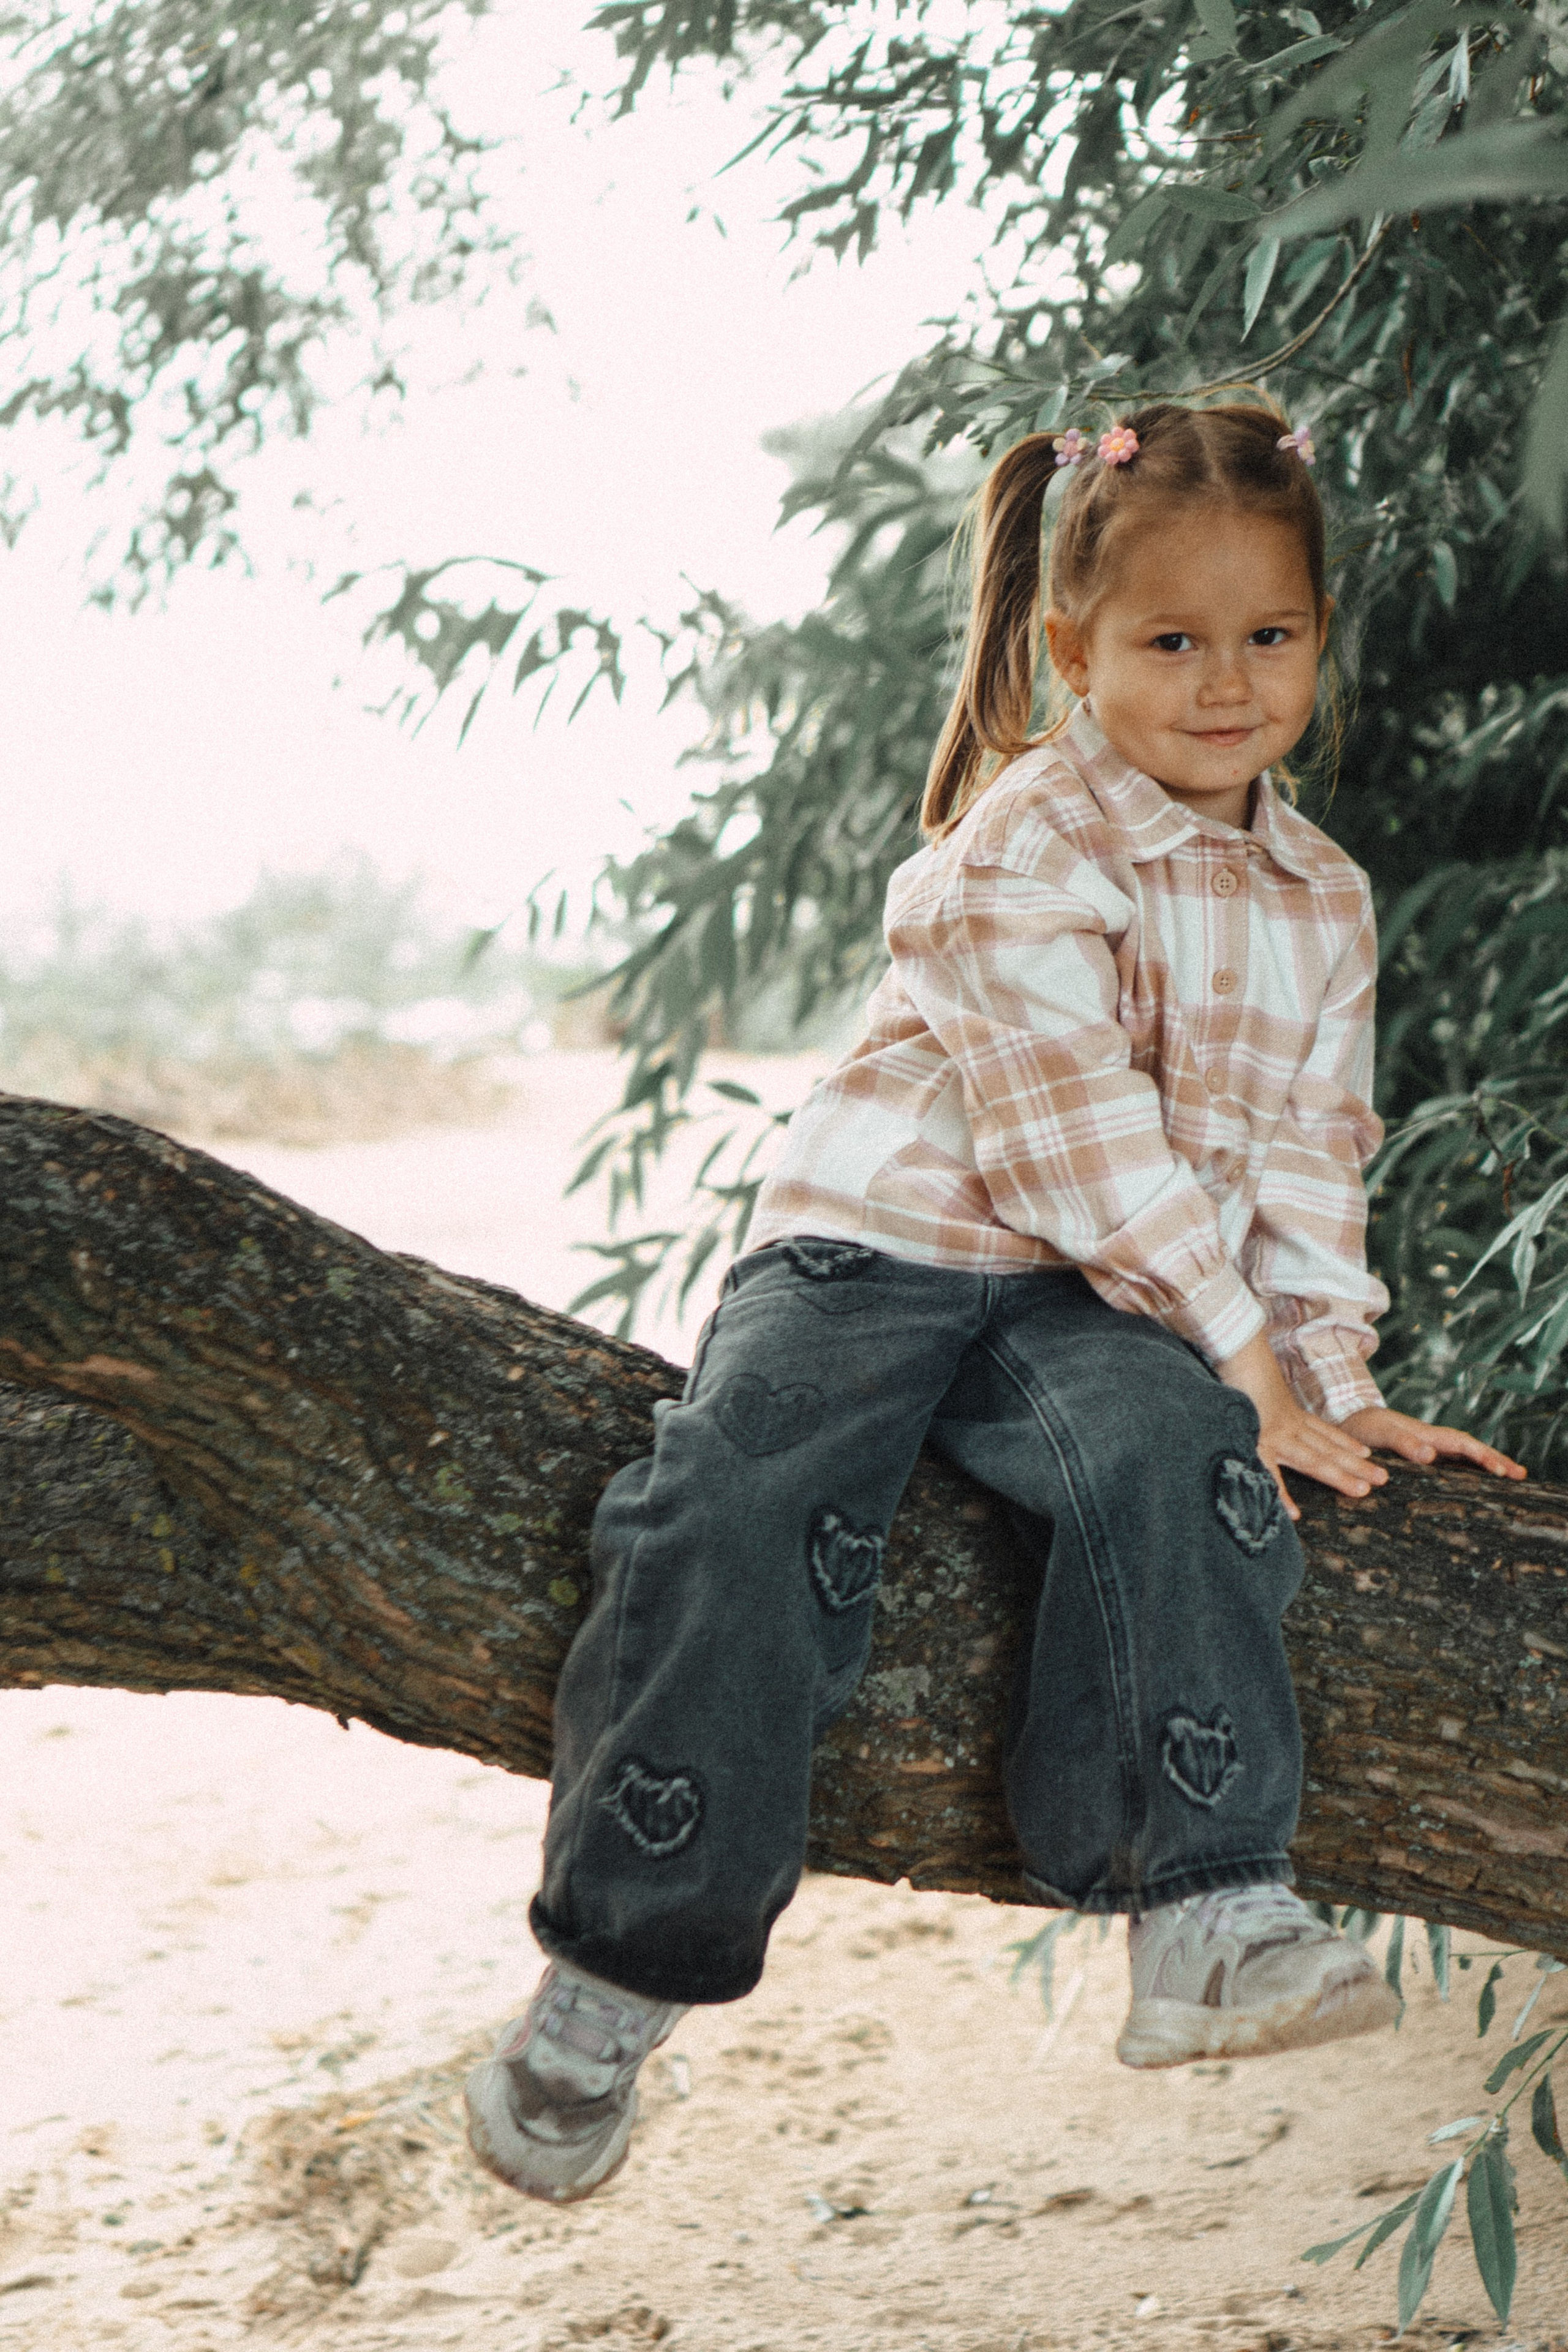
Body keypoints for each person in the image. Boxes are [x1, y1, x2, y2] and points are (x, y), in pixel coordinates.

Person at [465, 399, 1527, 2206]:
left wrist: (1321, 1385)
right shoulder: (1026, 837)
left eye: (1269, 637)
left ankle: (1204, 1913)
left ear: (1321, 641)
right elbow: (1073, 1139)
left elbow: (1302, 1159)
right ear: (1071, 652)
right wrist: (1249, 1348)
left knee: (1190, 1457)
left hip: (1092, 1300)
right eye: (1171, 641)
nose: (1225, 682)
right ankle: (614, 1976)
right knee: (741, 1498)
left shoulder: (1322, 897)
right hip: (877, 1251)